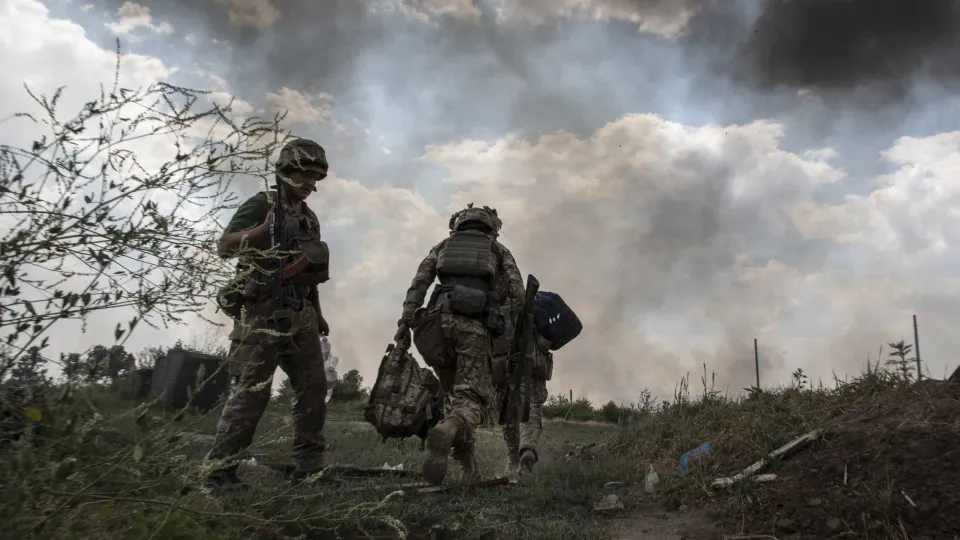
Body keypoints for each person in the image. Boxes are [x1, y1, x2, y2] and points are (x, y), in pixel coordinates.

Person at [204, 137, 332, 491]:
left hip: (300, 312)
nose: (310, 183)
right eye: (304, 175)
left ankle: (309, 467)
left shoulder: (309, 218)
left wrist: (317, 314)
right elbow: (224, 246)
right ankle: (219, 472)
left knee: (313, 390)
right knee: (251, 394)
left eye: (315, 178)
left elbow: (309, 270)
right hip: (261, 314)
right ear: (285, 171)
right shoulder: (263, 203)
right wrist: (262, 232)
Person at [395, 204, 524, 486]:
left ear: (459, 224)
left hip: (435, 326)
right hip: (473, 327)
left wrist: (405, 322)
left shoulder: (443, 245)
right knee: (472, 398)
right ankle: (448, 429)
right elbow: (517, 292)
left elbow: (419, 283)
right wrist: (496, 306)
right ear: (491, 227)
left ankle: (468, 470)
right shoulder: (497, 250)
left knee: (451, 395)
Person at [500, 330, 552, 482]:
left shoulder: (502, 305)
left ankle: (513, 461)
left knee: (508, 411)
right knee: (529, 406)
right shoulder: (537, 307)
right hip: (531, 359)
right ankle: (527, 449)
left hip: (507, 361)